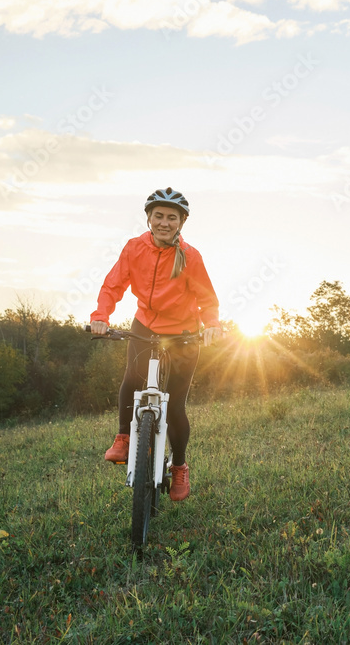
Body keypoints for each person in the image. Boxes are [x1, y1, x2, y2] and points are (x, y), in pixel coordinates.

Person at [90, 187, 222, 502]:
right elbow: (114, 284)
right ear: (149, 218)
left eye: (171, 218)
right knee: (132, 380)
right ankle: (124, 437)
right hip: (145, 326)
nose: (164, 222)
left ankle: (178, 467)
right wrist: (100, 316)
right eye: (159, 216)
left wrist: (212, 326)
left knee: (175, 405)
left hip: (184, 334)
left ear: (181, 223)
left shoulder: (191, 256)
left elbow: (207, 299)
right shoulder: (134, 248)